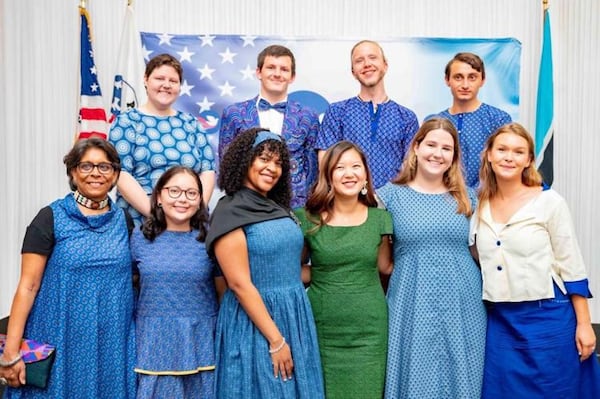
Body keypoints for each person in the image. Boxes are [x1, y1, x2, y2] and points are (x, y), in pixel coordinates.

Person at [471, 122, 600, 398]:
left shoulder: (550, 202)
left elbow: (571, 264)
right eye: (502, 149)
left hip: (548, 315)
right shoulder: (478, 203)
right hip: (501, 320)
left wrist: (584, 324)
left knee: (555, 390)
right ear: (489, 155)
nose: (509, 157)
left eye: (518, 152)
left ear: (529, 159)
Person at [0, 138, 136, 398]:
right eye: (86, 166)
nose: (96, 173)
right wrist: (11, 351)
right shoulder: (50, 218)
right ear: (73, 173)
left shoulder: (124, 221)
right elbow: (27, 287)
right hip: (59, 338)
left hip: (110, 344)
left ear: (115, 174)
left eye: (105, 167)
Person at [206, 127, 324, 398]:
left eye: (278, 163)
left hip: (294, 315)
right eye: (263, 159)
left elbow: (289, 268)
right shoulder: (230, 210)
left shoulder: (280, 209)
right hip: (257, 323)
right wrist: (275, 339)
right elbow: (238, 283)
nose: (272, 168)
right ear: (245, 159)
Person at [377, 117, 486, 398]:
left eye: (447, 148)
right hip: (411, 301)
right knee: (416, 377)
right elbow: (381, 261)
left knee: (462, 375)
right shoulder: (388, 197)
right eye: (431, 145)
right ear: (416, 146)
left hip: (463, 301)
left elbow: (481, 253)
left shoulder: (468, 199)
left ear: (454, 157)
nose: (438, 154)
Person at [294, 141, 393, 398]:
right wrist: (326, 274)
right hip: (321, 327)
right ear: (328, 176)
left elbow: (384, 267)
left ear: (365, 176)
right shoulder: (306, 219)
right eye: (340, 167)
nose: (349, 173)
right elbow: (293, 271)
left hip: (369, 331)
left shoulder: (381, 219)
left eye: (356, 166)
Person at [131, 166, 226, 399]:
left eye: (191, 193)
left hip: (201, 341)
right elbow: (132, 285)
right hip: (154, 342)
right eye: (174, 191)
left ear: (200, 200)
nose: (182, 199)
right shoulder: (139, 236)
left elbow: (223, 293)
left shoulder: (211, 237)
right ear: (159, 197)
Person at [110, 53, 216, 225]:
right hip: (142, 221)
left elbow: (208, 170)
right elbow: (121, 173)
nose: (166, 85)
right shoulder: (126, 122)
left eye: (173, 81)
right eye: (160, 78)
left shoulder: (191, 123)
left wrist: (193, 210)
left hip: (190, 222)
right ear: (145, 80)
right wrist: (159, 215)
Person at [218, 44, 319, 209]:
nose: (277, 74)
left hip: (294, 207)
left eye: (284, 69)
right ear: (259, 72)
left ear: (292, 76)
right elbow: (227, 164)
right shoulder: (234, 113)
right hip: (246, 205)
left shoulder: (308, 116)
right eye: (271, 67)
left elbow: (312, 169)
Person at [316, 40, 419, 189]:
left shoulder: (407, 117)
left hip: (391, 204)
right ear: (353, 72)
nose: (366, 64)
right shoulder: (337, 112)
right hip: (346, 201)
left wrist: (388, 196)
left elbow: (411, 166)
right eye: (359, 60)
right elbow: (325, 160)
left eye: (372, 57)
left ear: (385, 65)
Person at [432, 52, 512, 188]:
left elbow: (504, 164)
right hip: (441, 200)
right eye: (458, 77)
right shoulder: (436, 122)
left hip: (487, 199)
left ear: (482, 80)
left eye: (472, 77)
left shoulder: (498, 119)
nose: (465, 85)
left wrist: (474, 195)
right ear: (447, 80)